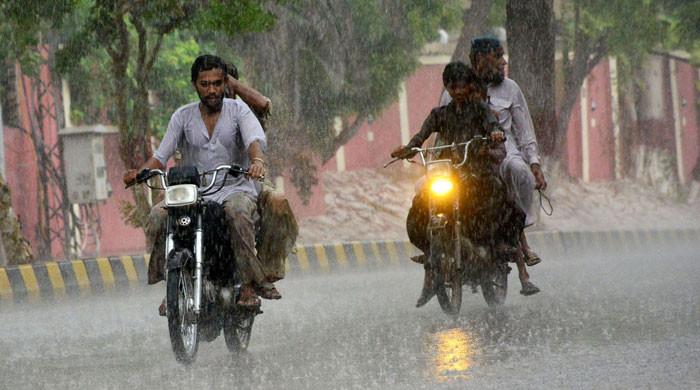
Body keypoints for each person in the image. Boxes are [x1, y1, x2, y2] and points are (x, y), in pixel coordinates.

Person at [123, 54, 279, 309]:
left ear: (224, 84)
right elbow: (161, 156)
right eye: (205, 84)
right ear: (195, 84)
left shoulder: (238, 110)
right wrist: (139, 173)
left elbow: (254, 141)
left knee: (238, 213)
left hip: (234, 188)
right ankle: (174, 284)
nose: (212, 90)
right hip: (193, 192)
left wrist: (257, 162)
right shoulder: (182, 117)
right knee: (157, 216)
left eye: (217, 83)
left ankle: (249, 285)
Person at [391, 61, 520, 307]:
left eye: (462, 86)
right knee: (420, 207)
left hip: (475, 171)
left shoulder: (481, 110)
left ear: (469, 86)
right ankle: (432, 252)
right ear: (447, 88)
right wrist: (408, 148)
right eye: (453, 86)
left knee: (495, 201)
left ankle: (493, 247)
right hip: (446, 173)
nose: (458, 91)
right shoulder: (439, 114)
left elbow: (493, 127)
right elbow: (422, 135)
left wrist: (494, 134)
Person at [439, 36, 545, 296]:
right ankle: (434, 245)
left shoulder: (511, 90)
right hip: (464, 157)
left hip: (502, 154)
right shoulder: (455, 89)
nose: (504, 62)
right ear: (480, 60)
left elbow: (524, 131)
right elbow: (439, 127)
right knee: (427, 189)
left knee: (517, 171)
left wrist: (534, 163)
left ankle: (517, 233)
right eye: (498, 57)